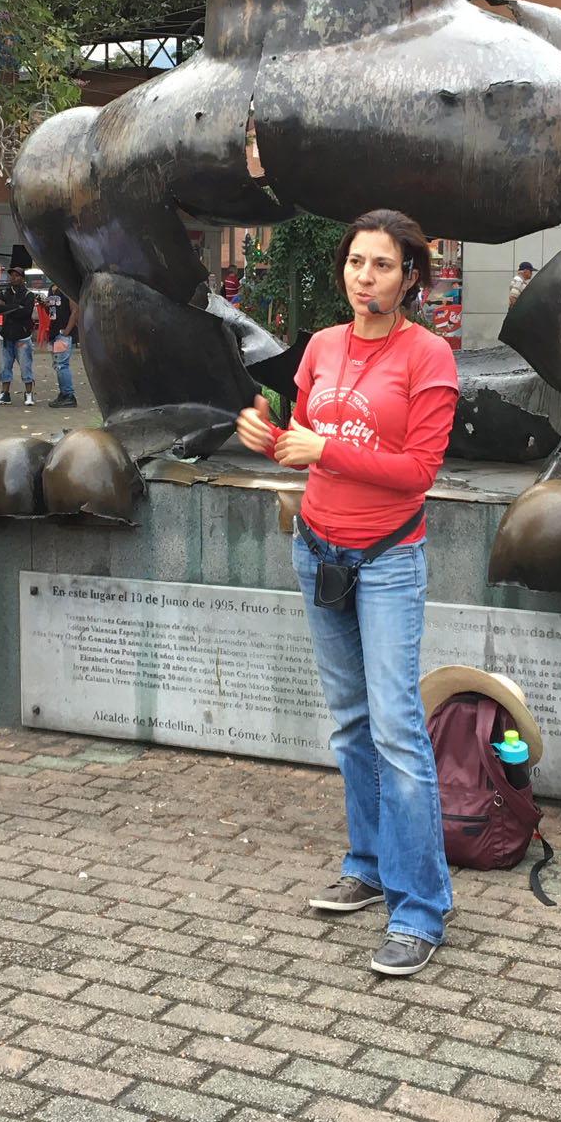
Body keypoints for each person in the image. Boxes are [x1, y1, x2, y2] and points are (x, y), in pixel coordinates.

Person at [235, 208, 459, 977]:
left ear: (410, 278)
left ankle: (421, 906)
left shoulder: (428, 357)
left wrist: (323, 444)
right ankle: (366, 862)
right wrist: (269, 439)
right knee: (352, 722)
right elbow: (305, 443)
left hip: (389, 556)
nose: (366, 278)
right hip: (317, 546)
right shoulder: (323, 348)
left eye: (383, 266)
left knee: (398, 726)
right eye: (357, 264)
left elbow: (418, 471)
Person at [0, 267, 38, 407]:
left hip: (22, 337)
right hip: (6, 336)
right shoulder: (4, 292)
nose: (14, 278)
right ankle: (5, 394)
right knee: (5, 366)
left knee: (25, 366)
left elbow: (26, 312)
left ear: (22, 278)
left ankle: (29, 394)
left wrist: (7, 307)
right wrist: (16, 307)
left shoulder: (28, 295)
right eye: (12, 275)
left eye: (17, 276)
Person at [45, 283, 78, 409]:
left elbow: (75, 310)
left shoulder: (66, 288)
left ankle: (69, 395)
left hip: (62, 333)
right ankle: (63, 393)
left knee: (61, 364)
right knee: (56, 364)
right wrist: (46, 306)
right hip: (53, 331)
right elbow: (51, 311)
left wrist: (66, 331)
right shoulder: (51, 289)